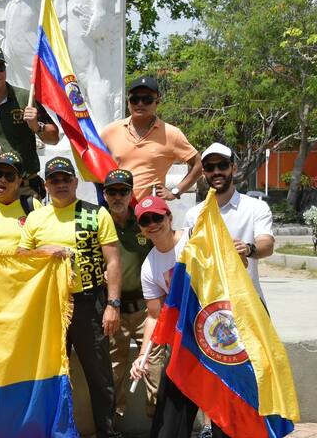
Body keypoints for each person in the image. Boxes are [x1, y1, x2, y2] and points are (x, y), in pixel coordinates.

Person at [18, 156, 122, 438]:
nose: (61, 184)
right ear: (46, 185)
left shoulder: (96, 213)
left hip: (88, 304)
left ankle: (107, 432)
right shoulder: (36, 217)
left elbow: (112, 261)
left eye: (66, 179)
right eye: (54, 180)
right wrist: (44, 251)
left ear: (75, 182)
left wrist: (113, 304)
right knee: (48, 373)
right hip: (48, 306)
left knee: (99, 376)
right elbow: (19, 257)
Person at [127, 197, 233, 438]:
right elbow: (154, 316)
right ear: (140, 227)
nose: (152, 224)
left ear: (169, 217)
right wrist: (142, 355)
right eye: (145, 220)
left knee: (226, 420)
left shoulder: (194, 239)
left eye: (157, 217)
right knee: (169, 424)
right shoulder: (149, 266)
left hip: (219, 339)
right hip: (184, 345)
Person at [101, 169, 162, 422]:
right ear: (104, 195)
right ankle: (113, 425)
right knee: (112, 374)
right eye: (112, 191)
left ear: (131, 194)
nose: (118, 196)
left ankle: (159, 423)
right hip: (112, 311)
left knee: (155, 368)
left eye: (123, 191)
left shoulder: (144, 222)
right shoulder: (98, 224)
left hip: (145, 311)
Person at [184, 143, 274, 302]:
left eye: (222, 165)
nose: (216, 172)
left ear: (233, 168)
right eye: (210, 167)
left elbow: (267, 245)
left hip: (248, 303)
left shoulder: (256, 207)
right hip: (209, 306)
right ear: (203, 173)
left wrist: (248, 249)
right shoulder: (193, 215)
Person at [0, 46, 59, 198]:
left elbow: (54, 138)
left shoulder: (26, 98)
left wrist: (37, 127)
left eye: (0, 67)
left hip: (25, 189)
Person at [101, 76, 202, 201]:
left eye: (147, 99)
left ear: (157, 102)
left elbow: (198, 164)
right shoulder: (110, 131)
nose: (140, 104)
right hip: (118, 210)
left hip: (150, 214)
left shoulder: (171, 134)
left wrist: (175, 192)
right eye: (135, 99)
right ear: (128, 102)